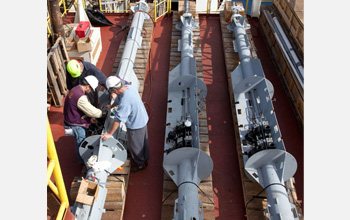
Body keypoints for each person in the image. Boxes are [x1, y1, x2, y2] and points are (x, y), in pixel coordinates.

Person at [101, 76, 149, 172]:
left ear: (114, 89)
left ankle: (140, 164)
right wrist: (111, 106)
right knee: (142, 142)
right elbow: (118, 99)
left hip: (136, 125)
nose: (112, 93)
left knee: (135, 145)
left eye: (112, 91)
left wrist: (109, 134)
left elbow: (118, 120)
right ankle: (145, 157)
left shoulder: (125, 101)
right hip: (142, 119)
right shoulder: (128, 88)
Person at [64, 75, 104, 164]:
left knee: (80, 141)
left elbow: (80, 109)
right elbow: (91, 111)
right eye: (91, 89)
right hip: (76, 125)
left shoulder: (75, 89)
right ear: (87, 86)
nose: (91, 92)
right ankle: (82, 160)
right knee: (81, 143)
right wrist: (102, 113)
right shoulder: (80, 97)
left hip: (72, 120)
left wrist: (89, 119)